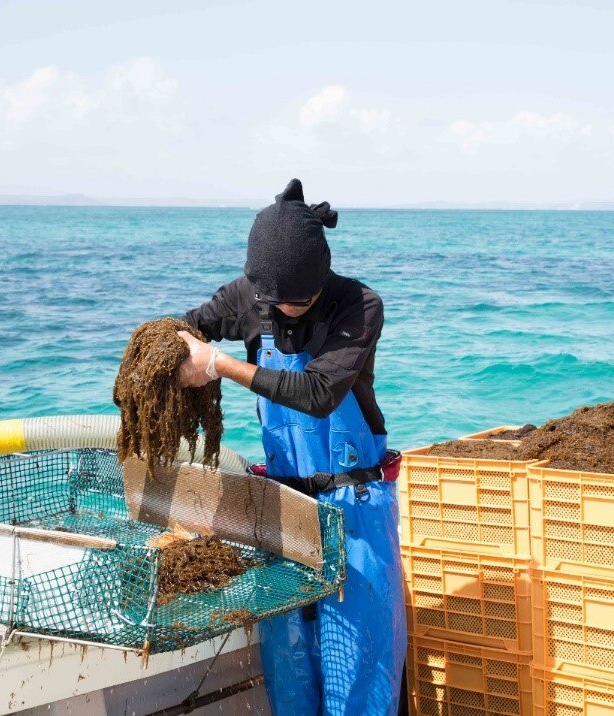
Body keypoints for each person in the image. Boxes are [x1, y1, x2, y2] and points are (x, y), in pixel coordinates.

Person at [176, 178, 406, 715]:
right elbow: (185, 327)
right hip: (281, 513)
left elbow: (322, 394)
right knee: (291, 665)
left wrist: (223, 365)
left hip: (355, 511)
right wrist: (174, 350)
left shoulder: (359, 306)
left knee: (358, 670)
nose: (287, 310)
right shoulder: (251, 297)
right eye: (275, 301)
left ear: (321, 278)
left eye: (299, 300)